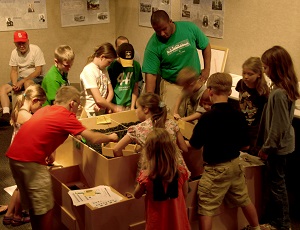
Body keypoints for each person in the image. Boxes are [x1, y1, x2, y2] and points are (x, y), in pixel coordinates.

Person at [6, 85, 118, 230]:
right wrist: (111, 137)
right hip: (31, 162)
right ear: (72, 103)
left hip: (14, 157)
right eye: (78, 105)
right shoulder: (66, 115)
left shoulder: (46, 109)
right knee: (46, 207)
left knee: (35, 205)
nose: (77, 110)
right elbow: (94, 138)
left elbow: (45, 131)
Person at [187, 73, 261, 230]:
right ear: (229, 92)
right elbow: (245, 146)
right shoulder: (239, 116)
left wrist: (179, 138)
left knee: (206, 206)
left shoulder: (207, 118)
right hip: (235, 165)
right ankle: (256, 227)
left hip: (215, 169)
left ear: (210, 91)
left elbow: (194, 146)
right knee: (244, 198)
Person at [257, 46, 300, 230]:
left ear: (276, 67)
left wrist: (266, 149)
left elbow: (278, 128)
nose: (264, 72)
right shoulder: (286, 88)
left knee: (278, 186)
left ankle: (283, 223)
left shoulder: (278, 94)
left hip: (277, 148)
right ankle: (277, 220)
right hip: (283, 146)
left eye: (266, 68)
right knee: (277, 184)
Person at [142, 10, 211, 113]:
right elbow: (151, 75)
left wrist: (207, 69)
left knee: (199, 117)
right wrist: (150, 101)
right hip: (173, 84)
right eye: (157, 31)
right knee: (172, 119)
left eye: (164, 29)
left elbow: (205, 46)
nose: (162, 34)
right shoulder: (153, 46)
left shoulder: (189, 28)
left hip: (195, 82)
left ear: (170, 21)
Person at [113, 92, 189, 175]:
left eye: (137, 107)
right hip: (177, 173)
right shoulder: (172, 124)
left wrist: (126, 164)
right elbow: (184, 148)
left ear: (146, 109)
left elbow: (116, 149)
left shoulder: (137, 129)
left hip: (154, 174)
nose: (135, 111)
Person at [3, 84, 46, 226]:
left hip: (15, 153)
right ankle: (17, 216)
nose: (40, 108)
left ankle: (9, 215)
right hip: (21, 156)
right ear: (34, 101)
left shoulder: (19, 111)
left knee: (18, 186)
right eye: (41, 104)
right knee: (24, 188)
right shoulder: (27, 116)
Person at [134, 128, 190, 230]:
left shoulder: (147, 176)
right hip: (177, 222)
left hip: (157, 225)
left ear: (149, 152)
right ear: (172, 149)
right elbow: (185, 194)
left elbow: (137, 195)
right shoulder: (181, 172)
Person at [0, 30, 45, 124]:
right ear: (15, 43)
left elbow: (38, 71)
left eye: (23, 43)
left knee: (27, 83)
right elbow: (13, 71)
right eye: (18, 43)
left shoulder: (36, 49)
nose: (21, 45)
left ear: (28, 41)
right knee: (3, 88)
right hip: (21, 78)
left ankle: (30, 111)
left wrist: (22, 81)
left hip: (35, 77)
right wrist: (15, 83)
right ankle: (6, 114)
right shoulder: (14, 52)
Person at [235, 57, 269, 156]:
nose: (246, 77)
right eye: (244, 73)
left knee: (251, 151)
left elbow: (263, 113)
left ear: (259, 74)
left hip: (254, 127)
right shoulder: (241, 84)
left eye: (250, 74)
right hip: (241, 122)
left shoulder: (262, 91)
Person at [80, 42, 122, 117]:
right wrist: (114, 107)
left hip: (101, 110)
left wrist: (104, 105)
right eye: (109, 62)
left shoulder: (104, 70)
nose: (109, 65)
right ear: (102, 57)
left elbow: (111, 91)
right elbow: (98, 99)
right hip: (91, 111)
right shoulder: (89, 70)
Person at [107, 43, 142, 110]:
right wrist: (110, 106)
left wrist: (132, 106)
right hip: (115, 105)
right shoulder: (112, 66)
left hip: (128, 105)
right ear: (118, 56)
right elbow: (108, 89)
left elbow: (135, 87)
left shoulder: (136, 66)